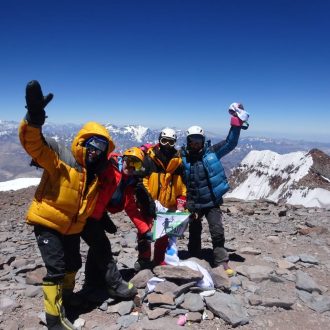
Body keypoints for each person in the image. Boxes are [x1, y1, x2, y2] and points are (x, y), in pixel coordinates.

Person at [18, 80, 115, 329]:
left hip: (71, 228)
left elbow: (90, 203)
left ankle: (67, 300)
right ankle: (54, 320)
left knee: (74, 264)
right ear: (83, 142)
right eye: (92, 145)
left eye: (101, 148)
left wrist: (101, 217)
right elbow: (34, 145)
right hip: (48, 223)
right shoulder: (60, 159)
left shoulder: (94, 175)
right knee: (57, 269)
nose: (95, 152)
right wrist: (34, 118)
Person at [180, 103, 249, 276]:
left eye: (198, 141)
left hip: (211, 202)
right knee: (194, 232)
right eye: (192, 141)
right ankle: (194, 257)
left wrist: (236, 124)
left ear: (203, 141)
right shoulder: (181, 158)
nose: (195, 144)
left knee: (217, 230)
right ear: (188, 142)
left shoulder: (211, 152)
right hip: (194, 203)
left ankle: (221, 260)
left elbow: (230, 143)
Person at [80, 146, 154, 297]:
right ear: (122, 159)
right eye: (129, 161)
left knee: (96, 247)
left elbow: (132, 210)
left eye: (137, 164)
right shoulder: (108, 168)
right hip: (84, 213)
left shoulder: (128, 183)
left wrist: (146, 231)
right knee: (103, 246)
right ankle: (115, 284)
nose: (132, 166)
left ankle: (91, 283)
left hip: (96, 214)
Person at [140, 128, 187, 268]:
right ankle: (143, 259)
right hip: (150, 203)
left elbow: (182, 186)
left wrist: (181, 203)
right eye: (164, 141)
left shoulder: (178, 163)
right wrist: (150, 201)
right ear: (159, 141)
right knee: (145, 232)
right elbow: (143, 182)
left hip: (168, 205)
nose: (167, 145)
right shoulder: (149, 159)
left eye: (171, 142)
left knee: (163, 235)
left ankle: (159, 261)